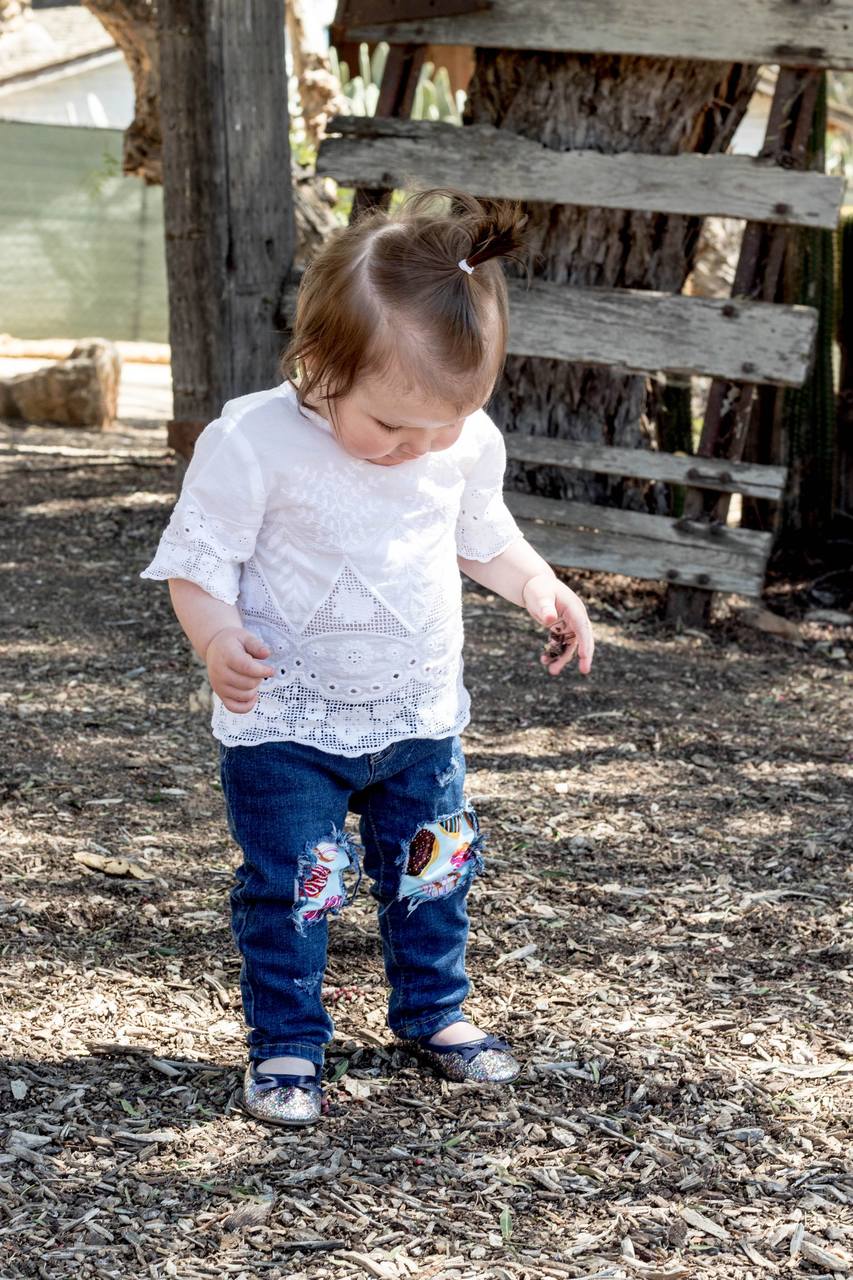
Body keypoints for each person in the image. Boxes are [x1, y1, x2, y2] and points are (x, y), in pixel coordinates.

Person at [141, 189, 594, 1127]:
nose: (417, 449)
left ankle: (434, 1013)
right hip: (287, 725)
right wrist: (216, 637)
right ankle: (288, 1042)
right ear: (317, 367)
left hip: (416, 715)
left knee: (433, 870)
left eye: (442, 427)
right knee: (296, 886)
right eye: (393, 426)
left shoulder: (457, 442)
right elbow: (197, 561)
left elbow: (482, 536)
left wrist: (541, 588)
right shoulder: (254, 441)